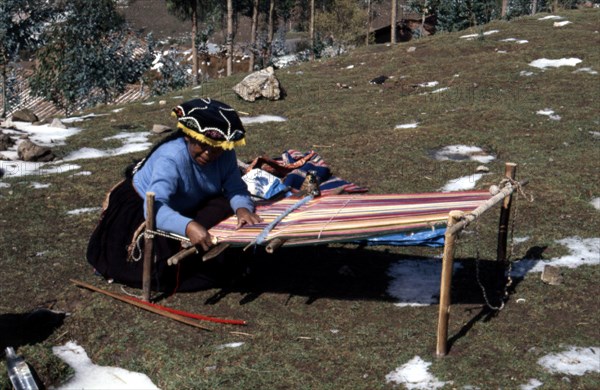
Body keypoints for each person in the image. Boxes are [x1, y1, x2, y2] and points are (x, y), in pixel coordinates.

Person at [86, 98, 263, 292]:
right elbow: (154, 208)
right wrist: (188, 226)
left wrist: (243, 208)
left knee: (224, 206)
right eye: (203, 144)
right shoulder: (170, 157)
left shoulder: (225, 153)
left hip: (190, 203)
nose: (209, 153)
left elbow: (235, 188)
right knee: (163, 272)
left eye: (216, 147)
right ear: (188, 136)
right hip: (145, 211)